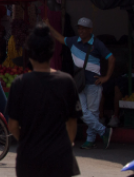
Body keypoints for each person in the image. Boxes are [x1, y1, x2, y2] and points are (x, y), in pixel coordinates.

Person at [6, 24, 81, 177]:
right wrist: (66, 143)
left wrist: (26, 139)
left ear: (28, 53)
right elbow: (72, 123)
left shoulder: (19, 84)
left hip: (28, 156)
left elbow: (13, 125)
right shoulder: (66, 82)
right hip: (59, 157)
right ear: (51, 52)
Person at [45, 16, 115, 149]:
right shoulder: (73, 41)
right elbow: (60, 38)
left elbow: (111, 58)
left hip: (94, 83)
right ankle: (103, 131)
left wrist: (106, 77)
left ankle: (90, 140)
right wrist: (49, 26)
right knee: (82, 111)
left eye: (84, 29)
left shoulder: (97, 44)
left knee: (93, 112)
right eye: (79, 28)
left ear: (91, 30)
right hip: (79, 83)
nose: (81, 31)